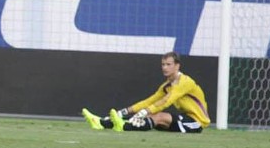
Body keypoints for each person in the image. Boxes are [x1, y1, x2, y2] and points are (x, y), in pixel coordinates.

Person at [82, 52, 210, 133]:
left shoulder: (185, 82)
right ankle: (102, 122)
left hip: (196, 122)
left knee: (160, 116)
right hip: (185, 117)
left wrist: (144, 112)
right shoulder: (166, 85)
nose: (165, 67)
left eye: (168, 64)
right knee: (152, 116)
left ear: (177, 66)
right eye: (163, 64)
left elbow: (167, 101)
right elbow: (150, 101)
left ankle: (124, 127)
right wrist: (125, 111)